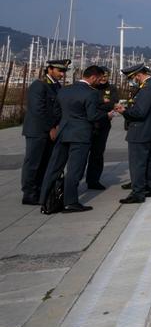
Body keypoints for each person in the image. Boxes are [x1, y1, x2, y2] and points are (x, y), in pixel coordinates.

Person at [39, 65, 111, 213]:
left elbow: (56, 113)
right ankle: (70, 202)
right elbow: (92, 116)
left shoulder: (64, 90)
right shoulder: (91, 94)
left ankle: (44, 199)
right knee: (75, 169)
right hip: (81, 135)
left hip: (63, 133)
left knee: (54, 167)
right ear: (92, 77)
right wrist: (107, 115)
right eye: (98, 79)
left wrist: (54, 128)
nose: (99, 81)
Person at [21, 59, 69, 205]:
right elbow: (38, 110)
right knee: (33, 162)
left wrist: (57, 126)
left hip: (51, 130)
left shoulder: (56, 86)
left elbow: (57, 109)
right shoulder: (39, 85)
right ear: (50, 69)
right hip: (37, 130)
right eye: (60, 71)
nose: (62, 74)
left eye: (64, 71)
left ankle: (41, 188)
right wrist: (51, 128)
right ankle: (29, 193)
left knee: (45, 162)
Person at [115, 64, 151, 204]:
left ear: (138, 75)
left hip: (140, 132)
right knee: (150, 161)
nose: (133, 81)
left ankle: (138, 193)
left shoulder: (147, 89)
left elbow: (139, 113)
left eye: (132, 78)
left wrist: (124, 111)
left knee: (137, 164)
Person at [85, 66, 115, 190]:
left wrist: (101, 106)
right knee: (82, 153)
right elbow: (88, 107)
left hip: (103, 125)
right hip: (89, 125)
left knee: (97, 154)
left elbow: (112, 104)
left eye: (106, 76)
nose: (103, 78)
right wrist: (102, 104)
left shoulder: (111, 89)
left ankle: (93, 180)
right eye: (101, 76)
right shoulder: (90, 87)